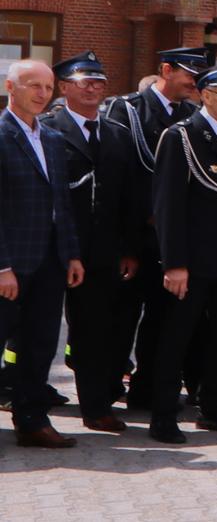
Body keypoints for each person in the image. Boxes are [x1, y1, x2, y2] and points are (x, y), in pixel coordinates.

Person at [146, 63, 217, 444]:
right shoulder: (181, 137)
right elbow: (168, 206)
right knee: (176, 338)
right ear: (206, 97)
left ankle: (213, 406)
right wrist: (174, 263)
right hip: (193, 262)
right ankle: (163, 415)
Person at [45, 53, 142, 434]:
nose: (94, 87)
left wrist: (130, 248)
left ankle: (97, 405)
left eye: (99, 81)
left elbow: (129, 198)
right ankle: (26, 397)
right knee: (35, 331)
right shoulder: (49, 130)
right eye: (85, 81)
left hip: (103, 252)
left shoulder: (117, 133)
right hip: (53, 249)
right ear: (64, 87)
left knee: (95, 330)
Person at [107, 45, 206, 410]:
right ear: (166, 69)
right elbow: (118, 180)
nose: (193, 82)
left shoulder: (191, 116)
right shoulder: (127, 110)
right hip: (136, 238)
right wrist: (125, 246)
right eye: (188, 73)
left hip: (170, 242)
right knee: (122, 318)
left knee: (163, 321)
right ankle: (105, 388)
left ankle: (147, 390)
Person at [0, 60, 85, 448]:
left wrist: (71, 255)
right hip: (10, 265)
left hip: (49, 262)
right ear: (10, 87)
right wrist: (2, 266)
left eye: (47, 86)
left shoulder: (50, 138)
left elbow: (60, 203)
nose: (40, 93)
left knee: (40, 345)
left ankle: (32, 420)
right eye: (32, 85)